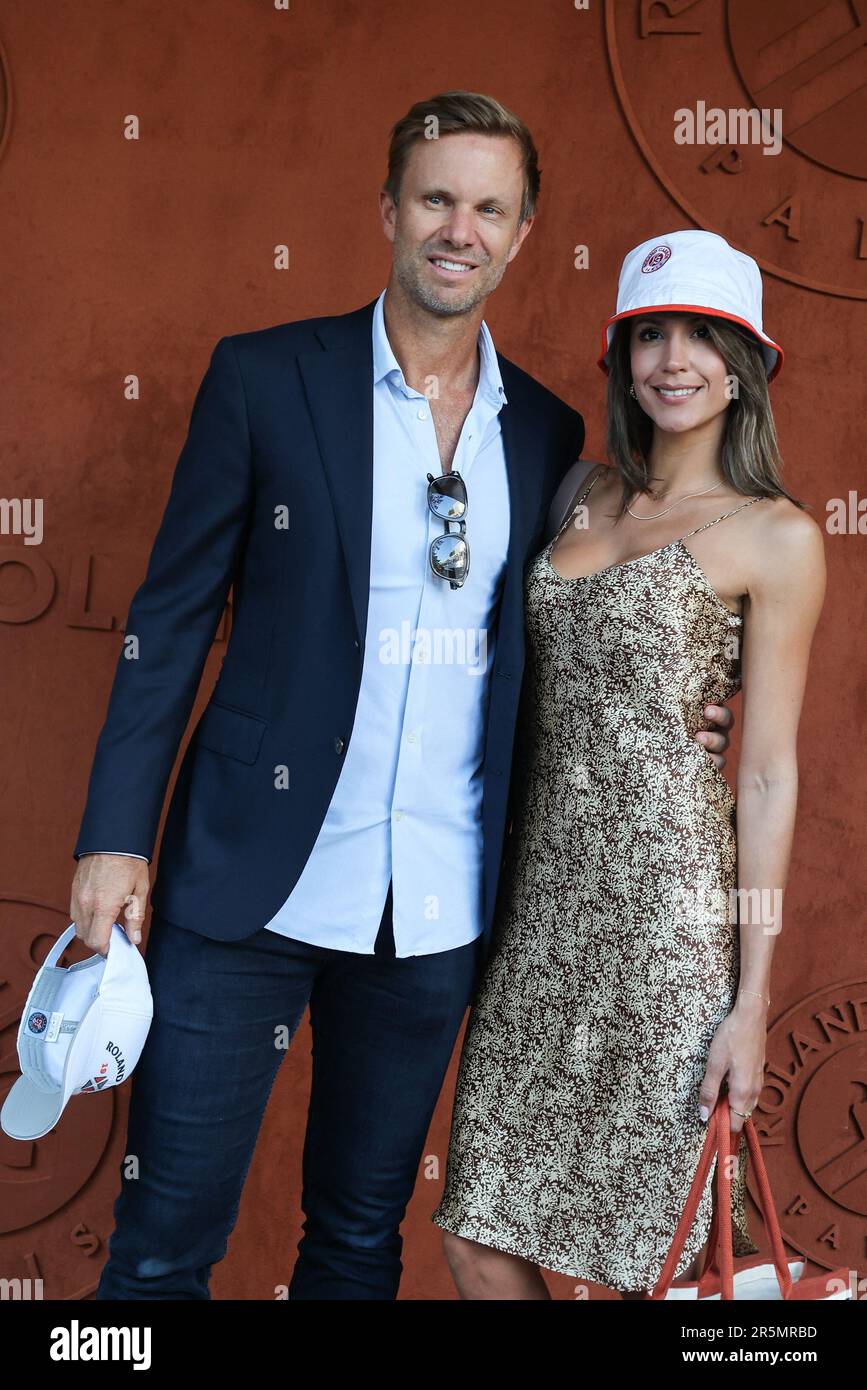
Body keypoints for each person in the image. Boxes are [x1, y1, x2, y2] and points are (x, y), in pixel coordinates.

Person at [69, 97, 734, 1300]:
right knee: (162, 1245)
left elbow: (570, 635)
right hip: (245, 895)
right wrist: (115, 834)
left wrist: (675, 704)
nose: (459, 229)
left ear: (524, 233)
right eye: (436, 198)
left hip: (430, 914)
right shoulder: (265, 379)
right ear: (389, 210)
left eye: (489, 207)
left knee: (358, 1244)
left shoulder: (546, 432)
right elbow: (166, 623)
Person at [431, 229, 826, 1299]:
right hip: (538, 910)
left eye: (705, 335)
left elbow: (768, 774)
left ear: (747, 365)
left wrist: (752, 999)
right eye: (650, 333)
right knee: (478, 1226)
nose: (674, 358)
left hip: (671, 926)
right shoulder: (571, 493)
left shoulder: (777, 535)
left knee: (674, 1259)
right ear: (621, 357)